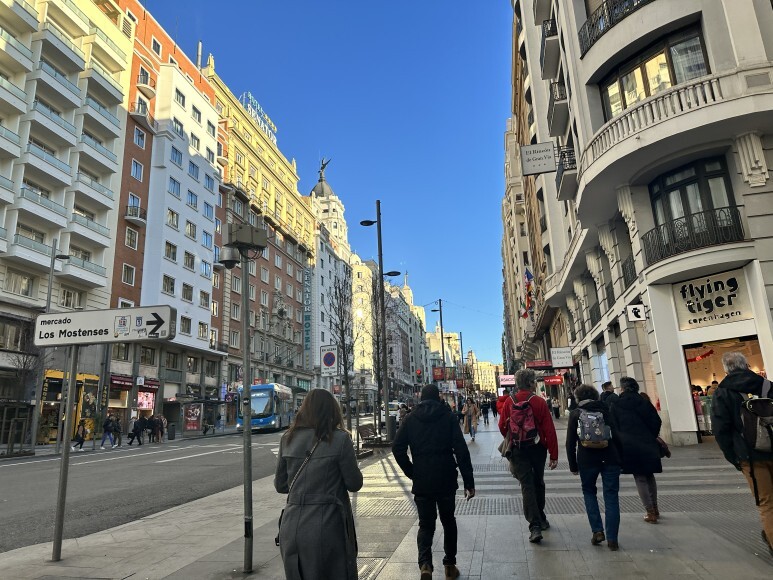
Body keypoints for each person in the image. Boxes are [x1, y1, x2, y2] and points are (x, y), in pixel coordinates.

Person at [274, 388, 362, 579]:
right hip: (328, 525)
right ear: (333, 411)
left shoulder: (287, 438)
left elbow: (280, 485)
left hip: (291, 526)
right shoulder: (340, 439)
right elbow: (354, 483)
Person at [393, 384, 474, 580]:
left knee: (426, 525)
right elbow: (461, 450)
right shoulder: (448, 417)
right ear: (438, 398)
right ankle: (449, 567)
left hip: (422, 480)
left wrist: (412, 472)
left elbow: (397, 448)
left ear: (421, 398)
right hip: (446, 478)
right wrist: (469, 482)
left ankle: (425, 565)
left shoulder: (410, 418)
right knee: (448, 521)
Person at [711, 351, 773, 556]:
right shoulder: (767, 385)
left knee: (766, 502)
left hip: (750, 456)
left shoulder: (723, 392)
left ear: (726, 370)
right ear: (747, 365)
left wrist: (734, 457)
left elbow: (720, 429)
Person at [498, 369, 559, 543]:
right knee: (538, 482)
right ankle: (541, 518)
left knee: (526, 485)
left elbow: (502, 426)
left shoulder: (509, 401)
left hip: (518, 449)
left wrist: (514, 436)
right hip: (538, 448)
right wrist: (553, 455)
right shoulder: (539, 402)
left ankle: (535, 526)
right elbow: (549, 429)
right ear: (531, 383)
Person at [566, 384, 622, 551]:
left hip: (587, 460)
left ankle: (597, 531)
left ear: (578, 398)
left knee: (589, 492)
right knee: (611, 496)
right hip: (610, 458)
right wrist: (621, 458)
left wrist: (573, 465)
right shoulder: (606, 409)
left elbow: (570, 442)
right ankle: (612, 539)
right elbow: (617, 435)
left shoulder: (576, 413)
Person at [609, 377, 662, 523]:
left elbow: (614, 427)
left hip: (630, 446)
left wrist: (620, 441)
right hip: (648, 443)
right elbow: (656, 421)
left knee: (640, 477)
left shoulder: (617, 404)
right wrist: (651, 435)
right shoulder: (644, 402)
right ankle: (655, 508)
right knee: (649, 475)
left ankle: (650, 511)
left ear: (623, 388)